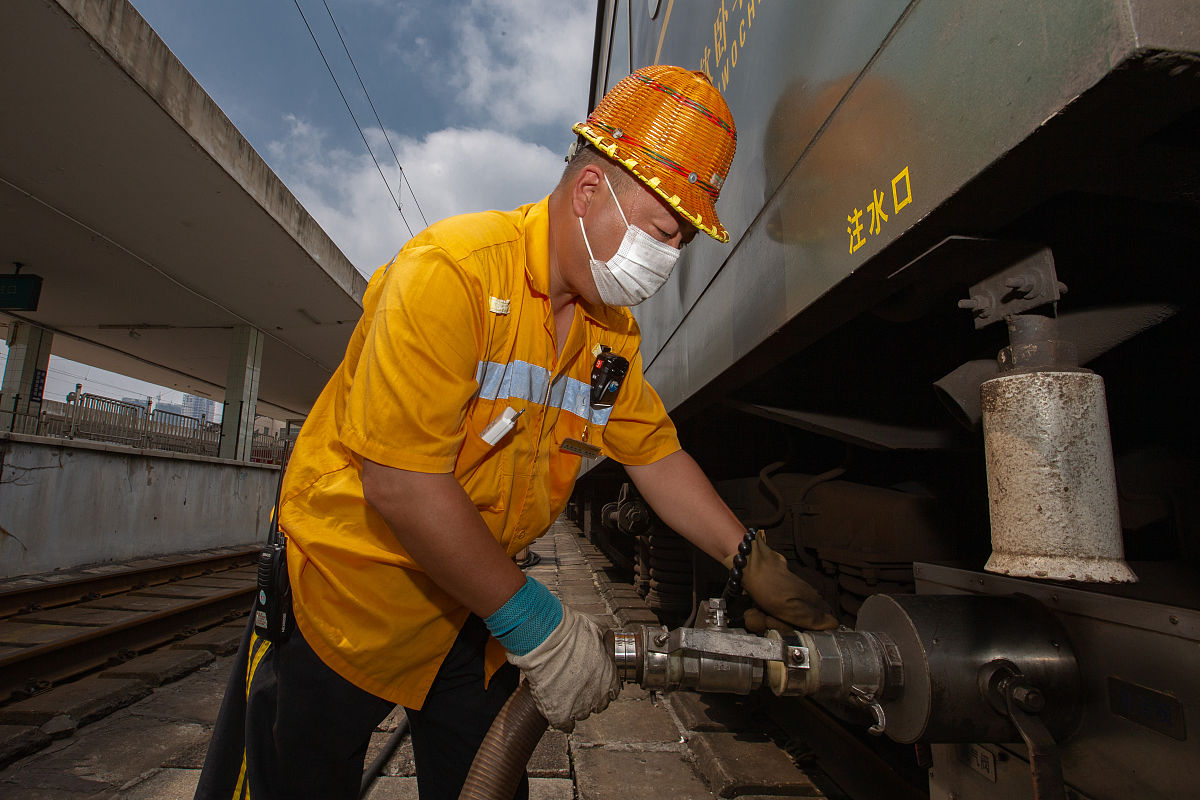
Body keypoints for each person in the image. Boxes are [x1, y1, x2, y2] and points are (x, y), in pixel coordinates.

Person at [195, 65, 837, 800]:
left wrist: (748, 557)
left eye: (683, 242)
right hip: (348, 596)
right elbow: (400, 483)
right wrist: (536, 623)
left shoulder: (609, 337)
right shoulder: (451, 273)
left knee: (487, 783)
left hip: (467, 604)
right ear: (590, 190)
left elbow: (655, 454)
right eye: (664, 233)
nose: (668, 258)